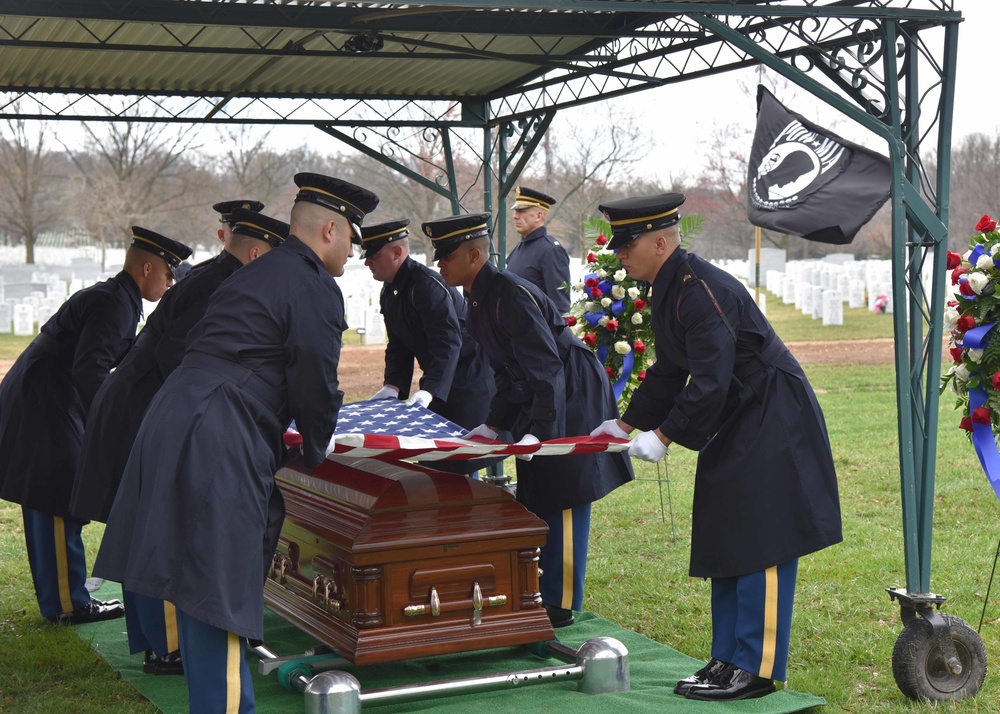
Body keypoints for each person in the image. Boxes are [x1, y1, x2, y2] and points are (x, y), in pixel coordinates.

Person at [93, 173, 378, 714]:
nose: (352, 253)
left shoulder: (259, 269)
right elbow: (316, 382)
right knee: (218, 586)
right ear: (329, 230)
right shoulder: (313, 283)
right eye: (351, 240)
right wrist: (319, 452)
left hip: (178, 415)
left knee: (198, 577)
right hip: (219, 430)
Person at [590, 192, 842, 701]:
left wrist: (662, 437)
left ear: (660, 242)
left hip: (772, 413)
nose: (620, 254)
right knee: (728, 526)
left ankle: (758, 666)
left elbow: (709, 379)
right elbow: (670, 369)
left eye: (628, 244)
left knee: (763, 533)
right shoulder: (669, 285)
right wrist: (624, 424)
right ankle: (728, 657)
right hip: (740, 410)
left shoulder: (700, 289)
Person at [70, 209, 288, 676]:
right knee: (166, 530)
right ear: (256, 253)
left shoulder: (212, 274)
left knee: (147, 528)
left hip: (140, 399)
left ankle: (157, 643)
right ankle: (168, 646)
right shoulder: (220, 283)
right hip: (151, 401)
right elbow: (179, 355)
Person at [427, 212, 634, 629]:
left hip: (569, 388)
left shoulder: (508, 294)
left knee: (566, 485)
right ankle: (540, 589)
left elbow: (545, 367)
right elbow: (504, 369)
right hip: (544, 389)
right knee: (539, 488)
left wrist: (539, 431)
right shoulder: (481, 296)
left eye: (446, 255)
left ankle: (562, 601)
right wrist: (494, 423)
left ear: (473, 255)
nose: (439, 264)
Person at [0, 227, 192, 625]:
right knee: (54, 497)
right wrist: (108, 424)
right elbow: (90, 371)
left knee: (51, 497)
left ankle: (65, 598)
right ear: (146, 268)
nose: (171, 282)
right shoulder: (114, 304)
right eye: (168, 273)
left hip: (46, 396)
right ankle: (68, 605)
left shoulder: (118, 297)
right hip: (46, 402)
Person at [360, 217, 493, 432]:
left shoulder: (426, 286)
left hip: (467, 382)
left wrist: (430, 390)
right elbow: (398, 344)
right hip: (438, 379)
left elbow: (448, 342)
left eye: (374, 255)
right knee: (434, 456)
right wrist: (393, 385)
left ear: (396, 252)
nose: (367, 262)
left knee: (458, 457)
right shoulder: (390, 290)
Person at [506, 186, 571, 314]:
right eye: (515, 211)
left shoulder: (551, 251)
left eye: (521, 211)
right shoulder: (519, 248)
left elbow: (560, 308)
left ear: (538, 216)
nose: (515, 216)